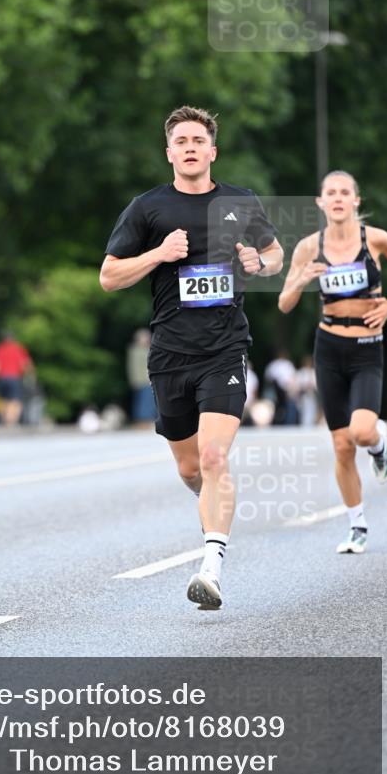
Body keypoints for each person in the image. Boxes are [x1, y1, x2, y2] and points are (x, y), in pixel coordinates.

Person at [100, 105, 283, 609]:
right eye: (180, 141)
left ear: (212, 151)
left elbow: (275, 255)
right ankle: (215, 502)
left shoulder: (240, 201)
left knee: (214, 456)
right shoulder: (147, 209)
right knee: (190, 469)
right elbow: (109, 276)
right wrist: (158, 254)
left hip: (225, 349)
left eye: (198, 141)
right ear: (169, 153)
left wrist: (259, 262)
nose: (189, 148)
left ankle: (211, 566)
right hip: (169, 355)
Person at [278, 170, 387, 554]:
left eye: (344, 192)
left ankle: (378, 445)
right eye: (330, 193)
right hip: (329, 346)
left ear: (355, 200)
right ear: (320, 202)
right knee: (342, 445)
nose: (337, 198)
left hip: (367, 345)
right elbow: (284, 303)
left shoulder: (375, 239)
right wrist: (302, 279)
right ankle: (357, 526)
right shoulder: (308, 247)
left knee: (361, 432)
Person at [0, 331, 35, 427]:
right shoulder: (19, 349)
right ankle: (11, 421)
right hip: (14, 378)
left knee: (4, 401)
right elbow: (25, 364)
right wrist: (30, 376)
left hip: (2, 378)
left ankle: (6, 420)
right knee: (15, 401)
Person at [126, 328, 156, 427]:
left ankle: (146, 420)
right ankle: (143, 420)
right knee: (144, 401)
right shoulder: (136, 350)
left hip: (147, 379)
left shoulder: (146, 349)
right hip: (143, 380)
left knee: (148, 400)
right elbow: (134, 367)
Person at [264, 350, 299, 425]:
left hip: (285, 390)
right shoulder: (278, 364)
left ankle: (286, 422)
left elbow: (268, 378)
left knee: (288, 405)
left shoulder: (280, 364)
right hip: (277, 390)